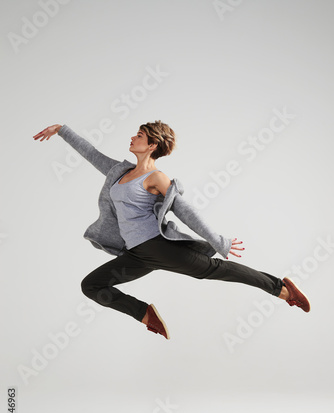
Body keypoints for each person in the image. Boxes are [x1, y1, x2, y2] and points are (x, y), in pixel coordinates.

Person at [33, 121, 310, 340]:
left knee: (217, 270)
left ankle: (282, 289)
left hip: (156, 247)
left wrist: (218, 240)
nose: (133, 137)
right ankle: (145, 315)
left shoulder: (156, 178)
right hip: (136, 254)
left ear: (151, 145)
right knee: (91, 286)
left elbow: (185, 210)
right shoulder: (118, 171)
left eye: (139, 135)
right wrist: (61, 130)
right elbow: (91, 154)